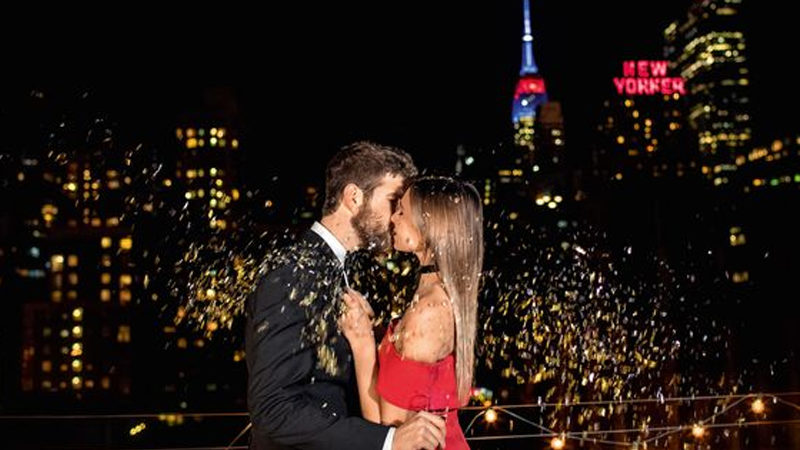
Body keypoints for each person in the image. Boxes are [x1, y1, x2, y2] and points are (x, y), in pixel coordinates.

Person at [246, 141, 448, 449]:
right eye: (393, 201)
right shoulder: (293, 273)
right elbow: (272, 408)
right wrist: (388, 440)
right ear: (354, 197)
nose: (398, 216)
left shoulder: (340, 266)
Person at [340, 176, 484, 450]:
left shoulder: (428, 312)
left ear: (429, 225)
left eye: (402, 211)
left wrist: (361, 341)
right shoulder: (436, 294)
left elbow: (387, 429)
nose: (393, 218)